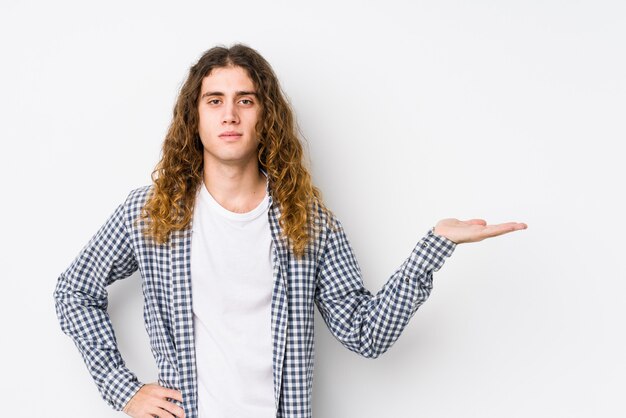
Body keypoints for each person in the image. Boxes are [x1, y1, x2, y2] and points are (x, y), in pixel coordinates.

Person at [53, 44, 527, 418]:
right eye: (214, 101)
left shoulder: (307, 220)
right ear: (194, 119)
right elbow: (74, 290)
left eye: (246, 100)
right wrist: (124, 390)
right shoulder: (153, 212)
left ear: (266, 117)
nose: (230, 114)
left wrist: (435, 246)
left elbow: (365, 334)